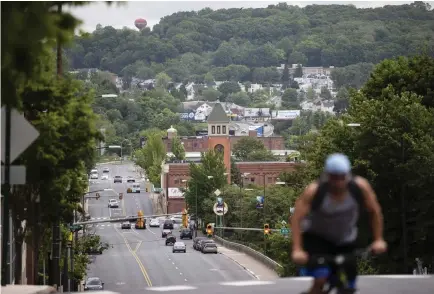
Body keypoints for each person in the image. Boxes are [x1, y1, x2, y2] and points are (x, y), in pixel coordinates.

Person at [291, 153, 387, 294]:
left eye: (342, 177)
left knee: (349, 282)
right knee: (320, 279)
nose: (338, 183)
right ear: (327, 176)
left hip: (345, 239)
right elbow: (296, 218)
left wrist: (378, 240)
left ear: (348, 175)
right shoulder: (314, 191)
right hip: (318, 240)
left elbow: (375, 212)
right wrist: (297, 249)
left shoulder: (360, 187)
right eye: (334, 178)